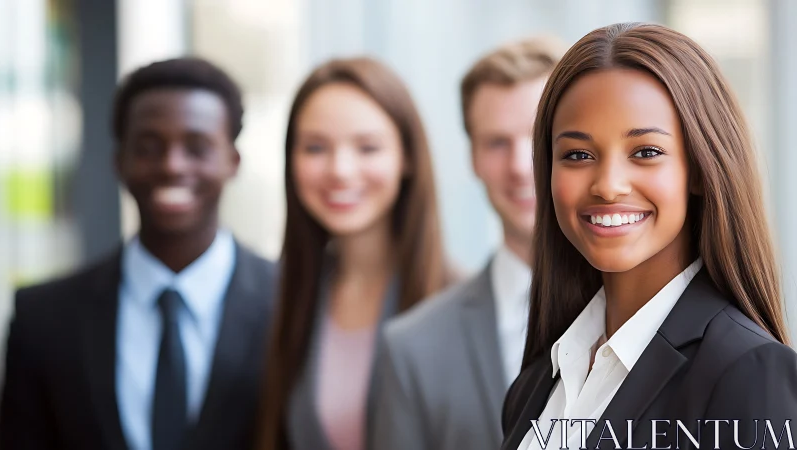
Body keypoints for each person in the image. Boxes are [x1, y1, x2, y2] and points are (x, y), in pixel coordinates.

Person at [500, 23, 797, 450]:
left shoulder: (747, 371)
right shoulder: (536, 383)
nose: (608, 184)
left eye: (645, 153)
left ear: (699, 167)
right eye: (578, 155)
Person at [0, 57, 278, 450]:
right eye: (148, 147)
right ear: (119, 161)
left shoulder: (292, 303)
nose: (172, 166)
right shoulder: (43, 319)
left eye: (197, 148)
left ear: (232, 162)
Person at [372, 36, 566, 450]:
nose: (518, 166)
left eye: (539, 138)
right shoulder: (412, 347)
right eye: (497, 142)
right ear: (473, 158)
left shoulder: (652, 314)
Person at [256, 57, 454, 450]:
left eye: (367, 147)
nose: (340, 170)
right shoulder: (282, 296)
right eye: (315, 147)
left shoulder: (460, 304)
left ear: (407, 157)